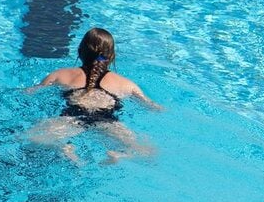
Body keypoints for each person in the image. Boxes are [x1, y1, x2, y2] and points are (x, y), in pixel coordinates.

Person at [26, 27, 163, 165]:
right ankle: (119, 155)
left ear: (80, 52)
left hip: (72, 116)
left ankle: (63, 148)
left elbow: (31, 92)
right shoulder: (126, 84)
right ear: (112, 56)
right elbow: (152, 107)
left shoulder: (60, 74)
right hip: (107, 119)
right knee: (148, 152)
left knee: (31, 138)